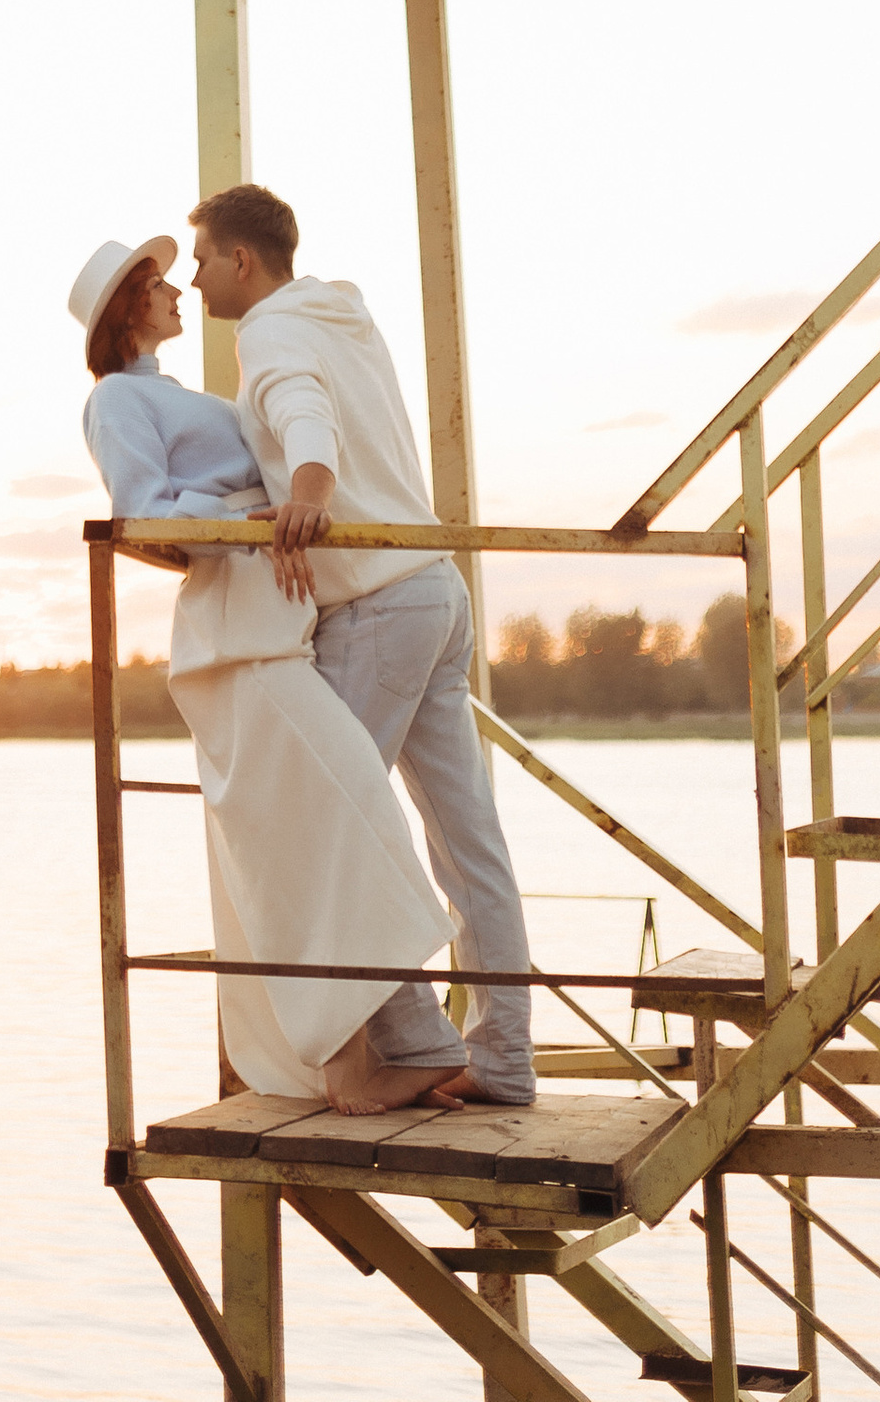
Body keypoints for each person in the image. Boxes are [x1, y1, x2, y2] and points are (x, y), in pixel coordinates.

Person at [72, 228, 455, 1113]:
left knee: (337, 821)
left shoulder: (177, 394)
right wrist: (252, 511)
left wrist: (277, 509)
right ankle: (353, 1065)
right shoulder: (115, 403)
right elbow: (143, 516)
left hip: (276, 620)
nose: (179, 292)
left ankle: (383, 1052)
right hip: (232, 634)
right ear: (130, 306)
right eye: (161, 284)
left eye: (180, 276)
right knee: (324, 823)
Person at [189, 181, 537, 1110]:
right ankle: (504, 1059)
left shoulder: (266, 332)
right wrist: (289, 496)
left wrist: (306, 490)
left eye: (201, 258)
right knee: (469, 845)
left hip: (380, 608)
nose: (193, 279)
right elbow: (337, 426)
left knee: (323, 823)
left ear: (241, 260)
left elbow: (308, 418)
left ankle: (416, 1045)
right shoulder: (342, 318)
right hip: (433, 587)